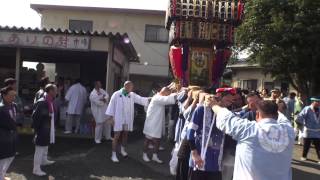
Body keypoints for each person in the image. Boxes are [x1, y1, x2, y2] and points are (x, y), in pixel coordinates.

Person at [211, 100, 295, 180]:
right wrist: (271, 106)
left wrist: (213, 104)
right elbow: (283, 118)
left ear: (257, 114)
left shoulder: (249, 130)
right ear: (276, 115)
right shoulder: (289, 131)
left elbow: (226, 117)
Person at [187, 91, 235, 180]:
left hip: (216, 163)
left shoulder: (226, 114)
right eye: (228, 98)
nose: (230, 102)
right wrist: (194, 154)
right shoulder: (202, 109)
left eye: (231, 100)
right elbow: (190, 132)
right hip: (199, 159)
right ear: (219, 96)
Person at [106, 81, 149, 163]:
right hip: (118, 118)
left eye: (132, 87)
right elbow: (111, 105)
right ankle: (113, 154)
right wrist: (111, 118)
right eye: (130, 87)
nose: (131, 89)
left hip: (127, 118)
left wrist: (152, 99)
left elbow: (141, 99)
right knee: (117, 135)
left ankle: (123, 150)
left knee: (125, 133)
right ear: (125, 86)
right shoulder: (116, 94)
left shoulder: (131, 94)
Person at [142, 87, 177, 163]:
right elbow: (168, 100)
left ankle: (155, 156)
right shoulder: (157, 98)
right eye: (168, 94)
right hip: (151, 124)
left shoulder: (159, 96)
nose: (168, 95)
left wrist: (172, 89)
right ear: (164, 92)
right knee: (147, 140)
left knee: (157, 140)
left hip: (156, 123)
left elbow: (168, 96)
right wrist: (180, 93)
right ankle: (144, 154)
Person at [32, 84, 57, 176]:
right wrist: (37, 130)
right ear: (50, 91)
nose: (56, 92)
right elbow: (36, 117)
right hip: (42, 129)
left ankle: (44, 160)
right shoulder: (42, 102)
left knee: (45, 146)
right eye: (55, 90)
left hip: (47, 128)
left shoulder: (49, 100)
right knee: (39, 149)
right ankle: (36, 169)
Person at [0, 87, 18, 180]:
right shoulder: (1, 108)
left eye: (14, 96)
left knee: (11, 156)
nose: (13, 98)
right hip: (3, 137)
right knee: (3, 158)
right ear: (4, 96)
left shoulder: (14, 105)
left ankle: (2, 175)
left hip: (12, 136)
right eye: (11, 96)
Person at [296, 97, 320, 163]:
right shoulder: (307, 108)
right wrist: (300, 125)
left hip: (317, 131)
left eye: (319, 102)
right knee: (306, 145)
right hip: (308, 130)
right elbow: (300, 116)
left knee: (318, 146)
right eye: (317, 102)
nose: (318, 103)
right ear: (313, 102)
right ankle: (304, 156)